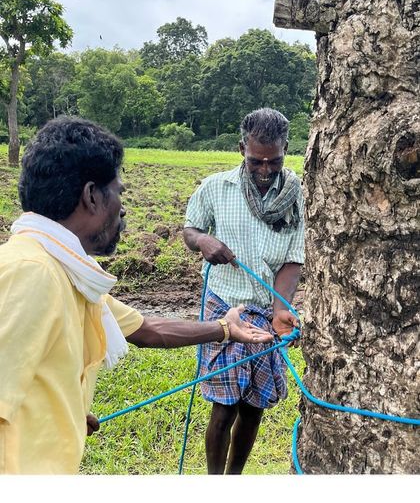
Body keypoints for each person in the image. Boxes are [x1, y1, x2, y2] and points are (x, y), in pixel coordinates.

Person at [0, 116, 274, 475]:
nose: (123, 208)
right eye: (119, 192)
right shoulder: (30, 272)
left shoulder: (69, 273)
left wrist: (224, 328)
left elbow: (147, 329)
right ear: (92, 196)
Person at [183, 107, 304, 474]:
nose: (265, 171)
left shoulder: (296, 194)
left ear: (285, 149)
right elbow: (189, 231)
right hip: (224, 306)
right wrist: (203, 240)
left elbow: (292, 260)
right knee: (224, 406)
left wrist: (280, 308)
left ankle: (235, 480)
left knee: (254, 406)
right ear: (242, 149)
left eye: (274, 161)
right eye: (256, 162)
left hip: (267, 311)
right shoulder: (215, 188)